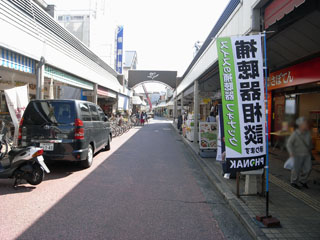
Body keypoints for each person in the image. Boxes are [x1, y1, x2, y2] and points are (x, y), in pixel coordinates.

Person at [286, 117, 312, 189]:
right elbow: (289, 144)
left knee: (308, 168)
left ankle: (302, 181)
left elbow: (310, 143)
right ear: (300, 125)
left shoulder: (308, 133)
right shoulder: (295, 134)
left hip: (307, 154)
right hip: (297, 154)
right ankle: (294, 182)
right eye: (305, 124)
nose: (306, 125)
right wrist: (291, 153)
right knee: (296, 169)